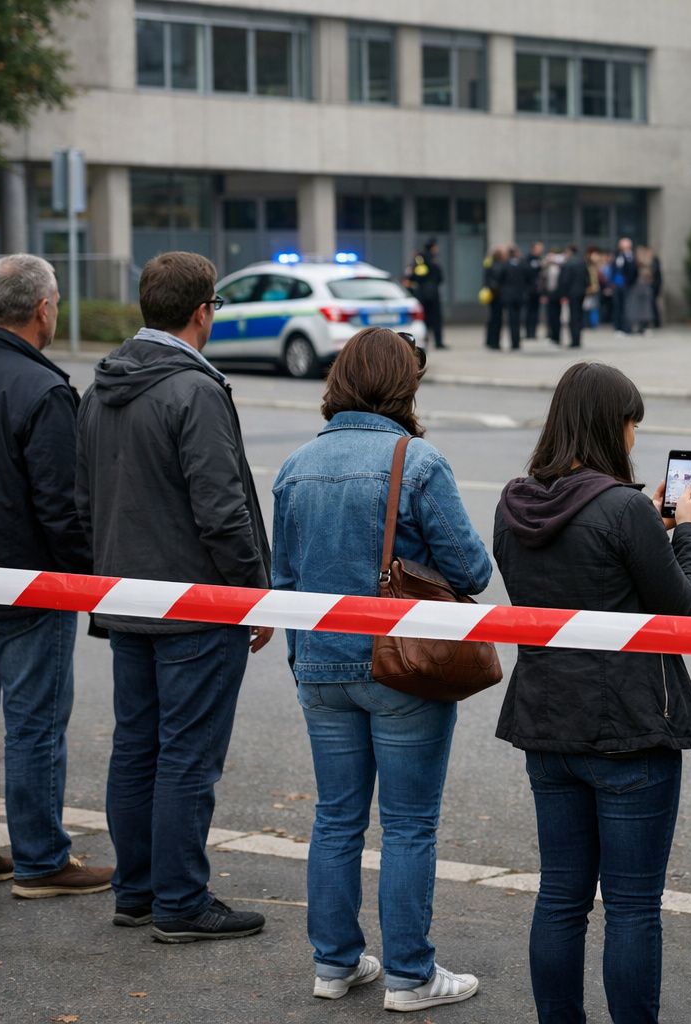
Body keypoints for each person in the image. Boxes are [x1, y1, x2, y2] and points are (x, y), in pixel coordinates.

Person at [271, 328, 492, 1011]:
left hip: (320, 666)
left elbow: (283, 580)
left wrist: (302, 664)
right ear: (405, 385)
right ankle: (409, 976)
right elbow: (473, 570)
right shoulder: (417, 462)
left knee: (336, 819)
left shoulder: (294, 467)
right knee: (408, 824)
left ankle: (334, 966)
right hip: (402, 667)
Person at [494, 362, 691, 1024]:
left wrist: (644, 529)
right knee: (633, 905)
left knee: (560, 896)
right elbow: (685, 614)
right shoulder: (623, 509)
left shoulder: (516, 500)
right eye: (631, 424)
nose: (636, 438)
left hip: (546, 722)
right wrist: (690, 530)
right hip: (631, 730)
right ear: (610, 427)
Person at [75, 251, 273, 942]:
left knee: (138, 748)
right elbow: (222, 511)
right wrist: (252, 594)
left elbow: (85, 499)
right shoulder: (195, 391)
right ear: (202, 310)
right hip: (196, 604)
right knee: (188, 754)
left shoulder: (100, 387)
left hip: (126, 596)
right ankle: (183, 902)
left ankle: (137, 891)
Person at [0, 254, 110, 899]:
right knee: (33, 726)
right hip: (27, 587)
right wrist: (84, 578)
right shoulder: (42, 390)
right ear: (44, 308)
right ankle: (41, 859)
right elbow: (61, 506)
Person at [406, 241, 446, 351]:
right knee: (436, 319)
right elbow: (439, 277)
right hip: (432, 293)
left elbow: (413, 276)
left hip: (422, 294)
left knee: (425, 320)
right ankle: (438, 342)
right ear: (432, 247)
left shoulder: (420, 259)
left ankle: (425, 342)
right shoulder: (432, 260)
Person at [556, 245, 589, 349]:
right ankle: (578, 339)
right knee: (579, 315)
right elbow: (587, 278)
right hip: (581, 292)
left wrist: (563, 294)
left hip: (571, 293)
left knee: (573, 317)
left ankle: (574, 340)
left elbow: (564, 281)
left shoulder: (568, 264)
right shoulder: (582, 263)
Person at [626, 246, 657, 336]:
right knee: (636, 309)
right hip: (637, 289)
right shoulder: (634, 263)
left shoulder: (649, 263)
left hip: (644, 289)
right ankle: (638, 327)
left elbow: (650, 276)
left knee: (645, 309)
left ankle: (645, 327)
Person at [500, 246, 527, 351]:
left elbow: (500, 279)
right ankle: (517, 341)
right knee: (518, 319)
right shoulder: (522, 265)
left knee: (512, 320)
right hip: (519, 296)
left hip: (509, 296)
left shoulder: (505, 265)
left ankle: (514, 342)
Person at [611, 238, 638, 336]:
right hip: (617, 285)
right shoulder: (617, 256)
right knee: (618, 306)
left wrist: (630, 283)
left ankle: (627, 328)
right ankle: (618, 327)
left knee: (627, 308)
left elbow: (633, 271)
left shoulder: (631, 257)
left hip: (627, 285)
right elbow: (613, 270)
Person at [483, 247, 508, 351]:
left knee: (492, 318)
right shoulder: (502, 266)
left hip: (491, 295)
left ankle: (489, 340)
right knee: (497, 320)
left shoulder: (489, 265)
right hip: (499, 295)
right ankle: (495, 342)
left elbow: (487, 280)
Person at [523, 242, 547, 342]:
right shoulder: (528, 259)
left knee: (535, 312)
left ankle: (533, 332)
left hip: (538, 291)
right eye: (539, 248)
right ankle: (528, 332)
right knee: (529, 312)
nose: (541, 250)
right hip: (529, 291)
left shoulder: (541, 259)